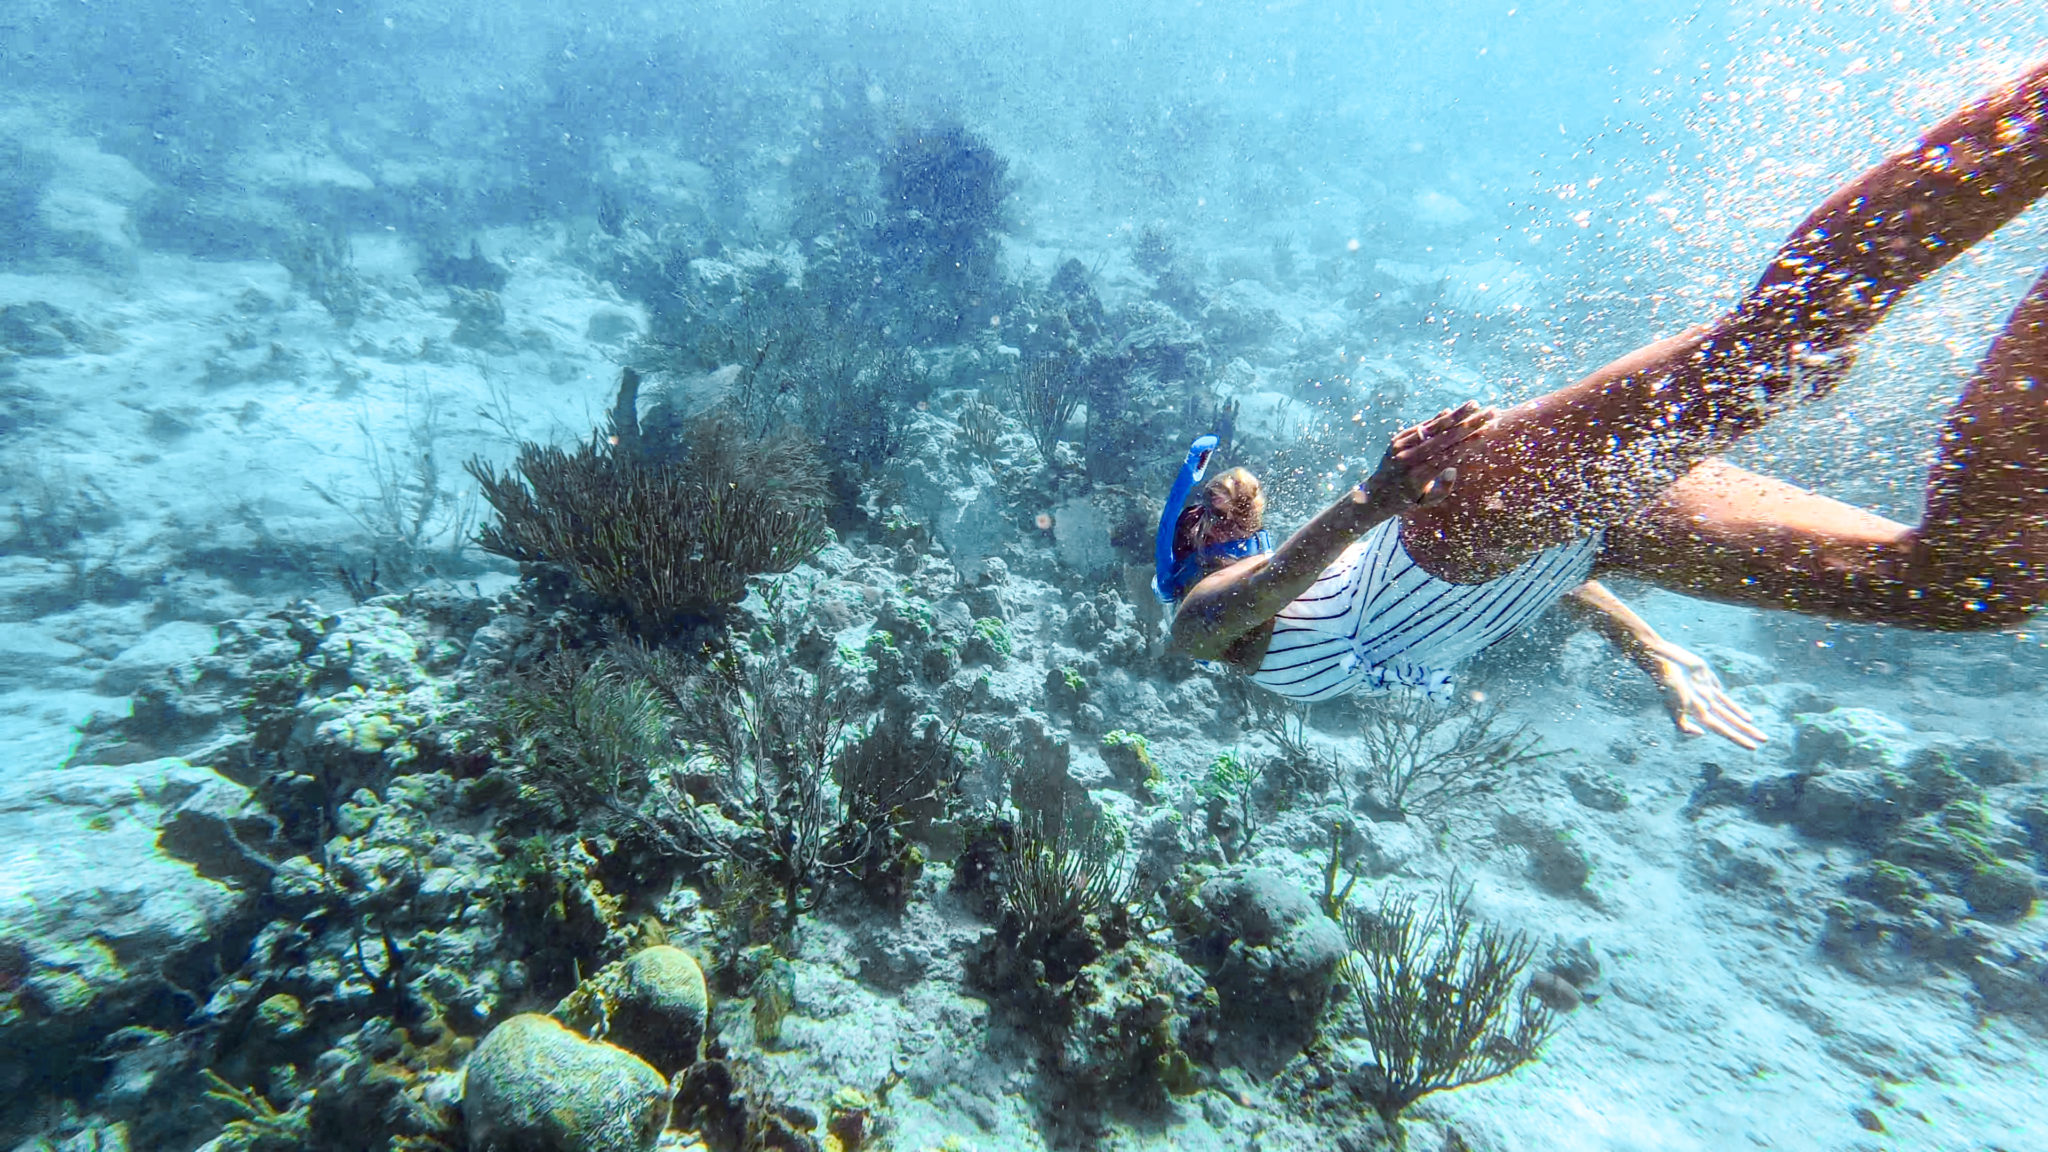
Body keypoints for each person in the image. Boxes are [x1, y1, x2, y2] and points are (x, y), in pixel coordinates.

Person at [1166, 58, 2048, 749]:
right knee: (1968, 585)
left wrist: (1375, 498)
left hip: (1461, 527)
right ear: (1180, 556)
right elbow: (1490, 599)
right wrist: (1647, 643)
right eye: (1195, 516)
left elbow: (1290, 576)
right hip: (1583, 544)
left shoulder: (1261, 592)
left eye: (1214, 508)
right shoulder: (1196, 620)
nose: (1216, 519)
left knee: (1778, 348)